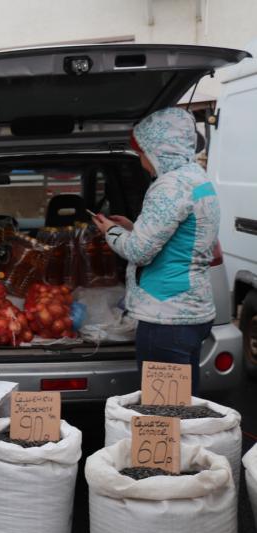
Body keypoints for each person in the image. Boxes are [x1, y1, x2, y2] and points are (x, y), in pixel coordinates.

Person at [92, 107, 219, 395]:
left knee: (163, 410)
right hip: (192, 310)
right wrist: (134, 226)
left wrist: (109, 231)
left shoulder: (169, 186)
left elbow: (139, 251)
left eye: (142, 154)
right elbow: (179, 237)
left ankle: (176, 442)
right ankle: (186, 441)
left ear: (159, 149)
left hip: (167, 317)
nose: (143, 163)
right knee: (184, 402)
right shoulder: (197, 178)